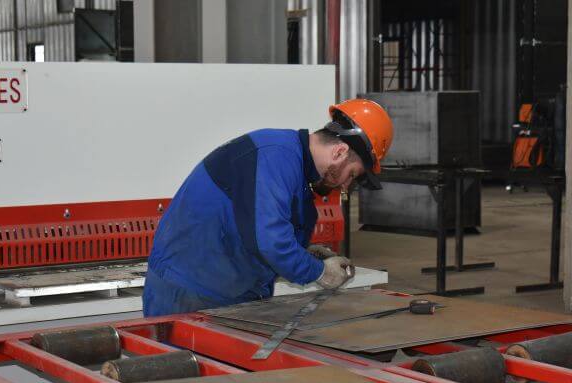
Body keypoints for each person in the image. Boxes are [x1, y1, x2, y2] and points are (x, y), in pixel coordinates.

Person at [143, 99, 393, 316]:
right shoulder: (275, 156)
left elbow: (254, 228)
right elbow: (270, 241)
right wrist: (319, 272)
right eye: (352, 175)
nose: (345, 186)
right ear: (339, 152)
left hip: (224, 290)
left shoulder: (294, 168)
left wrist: (304, 253)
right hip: (190, 292)